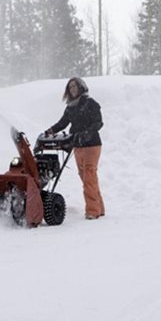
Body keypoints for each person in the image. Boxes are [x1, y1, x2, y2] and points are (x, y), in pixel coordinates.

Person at [45, 77, 105, 220]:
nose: (72, 89)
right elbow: (62, 123)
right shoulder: (70, 107)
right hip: (77, 146)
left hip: (92, 144)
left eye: (74, 86)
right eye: (70, 87)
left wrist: (86, 133)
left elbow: (99, 122)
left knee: (89, 176)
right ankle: (99, 207)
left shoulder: (90, 103)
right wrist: (50, 131)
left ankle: (92, 211)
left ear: (81, 87)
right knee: (86, 178)